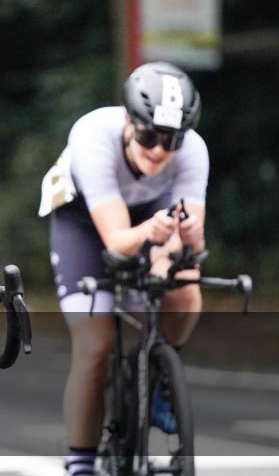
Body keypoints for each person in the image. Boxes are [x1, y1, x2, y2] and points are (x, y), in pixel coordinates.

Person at [39, 61, 207, 476]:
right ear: (129, 122)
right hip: (84, 222)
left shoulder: (193, 150)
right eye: (149, 135)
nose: (159, 150)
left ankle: (157, 374)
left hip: (152, 214)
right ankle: (81, 462)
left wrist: (182, 243)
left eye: (171, 140)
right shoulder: (93, 135)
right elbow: (116, 241)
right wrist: (152, 233)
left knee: (184, 286)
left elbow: (194, 246)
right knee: (95, 346)